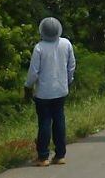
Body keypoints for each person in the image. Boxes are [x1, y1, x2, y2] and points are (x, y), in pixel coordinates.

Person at [24, 17, 76, 168]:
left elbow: (33, 72)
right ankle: (60, 155)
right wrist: (68, 80)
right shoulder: (66, 44)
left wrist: (28, 86)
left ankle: (43, 157)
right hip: (61, 90)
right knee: (59, 121)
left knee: (45, 123)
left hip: (43, 93)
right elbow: (71, 65)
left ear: (43, 31)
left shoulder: (39, 48)